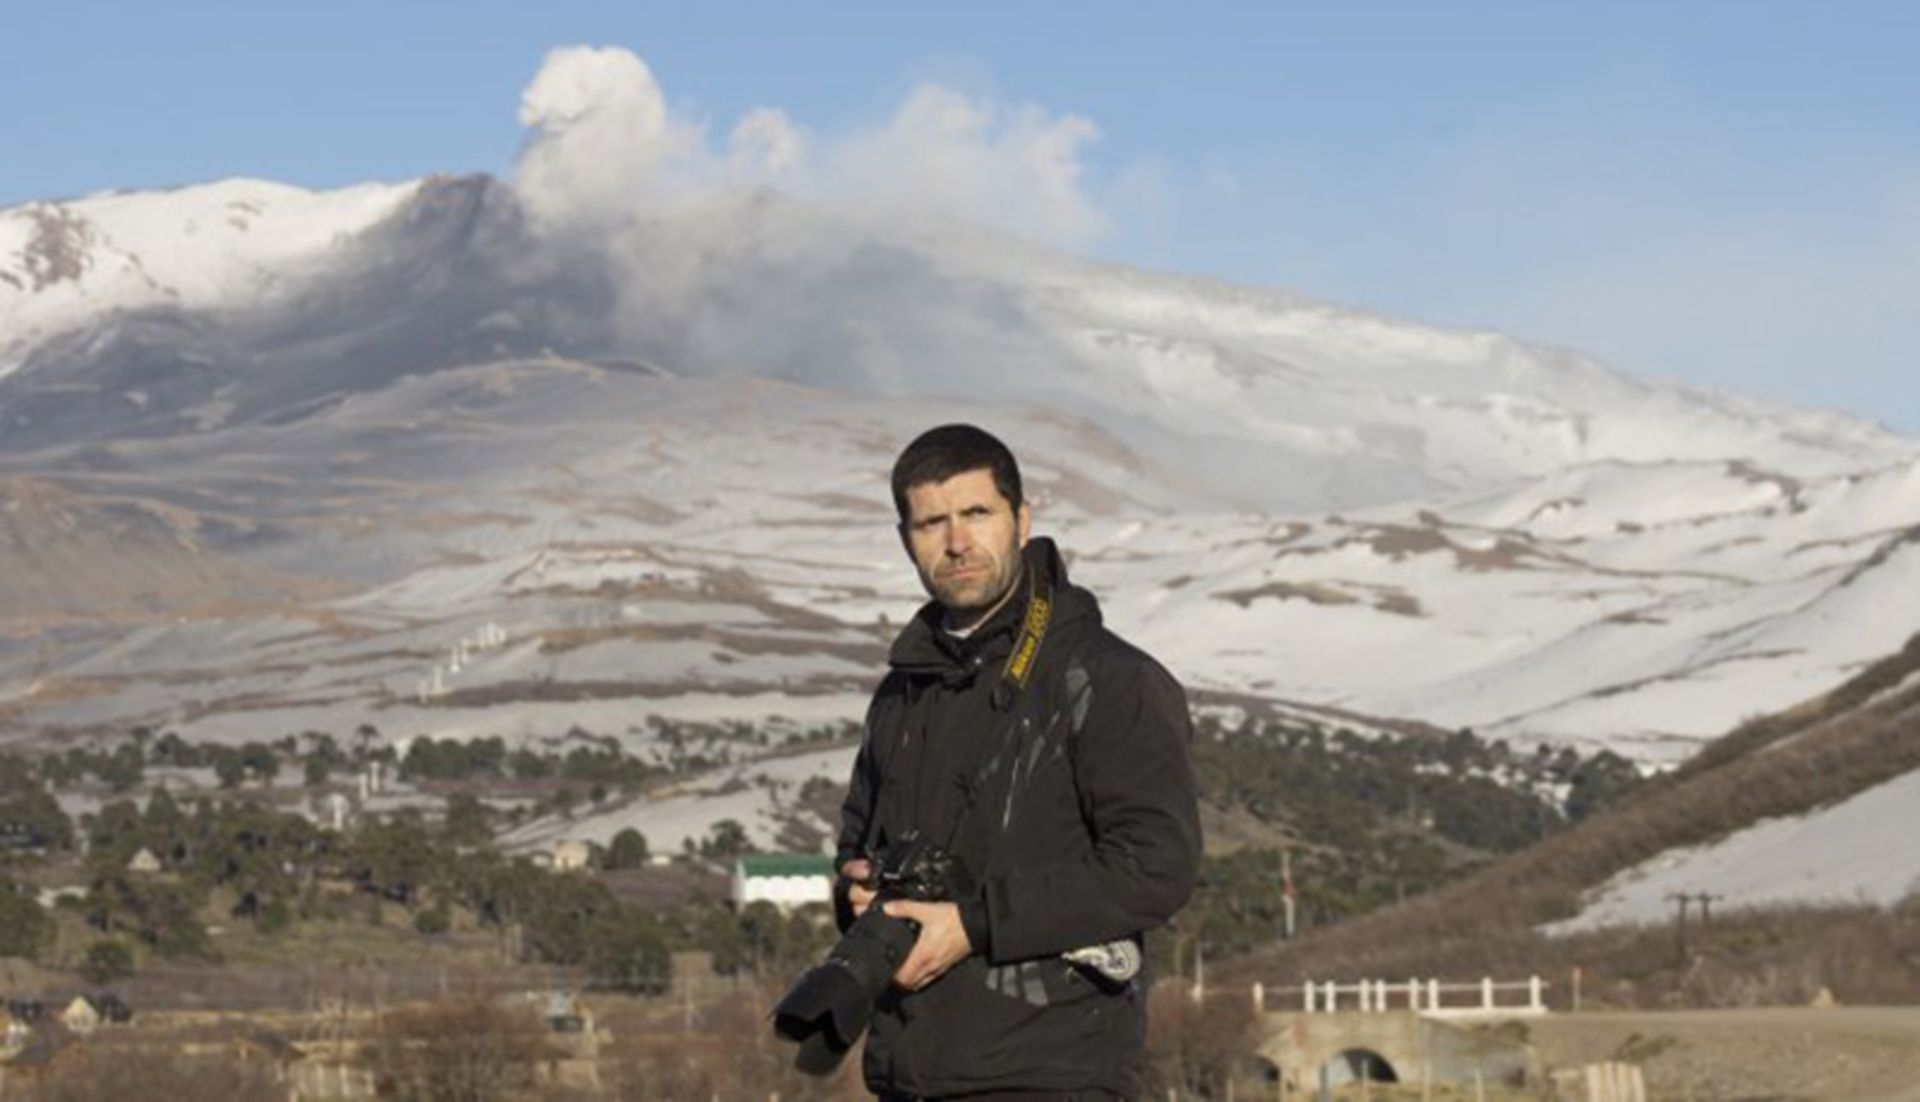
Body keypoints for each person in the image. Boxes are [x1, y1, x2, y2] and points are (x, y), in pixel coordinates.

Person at [835, 423, 1202, 1101]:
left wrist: (971, 926)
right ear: (904, 538)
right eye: (931, 522)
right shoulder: (904, 689)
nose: (956, 542)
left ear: (1022, 519)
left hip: (1054, 1072)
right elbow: (858, 841)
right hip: (909, 1071)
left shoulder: (1105, 677)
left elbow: (1156, 866)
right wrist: (857, 893)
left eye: (977, 514)